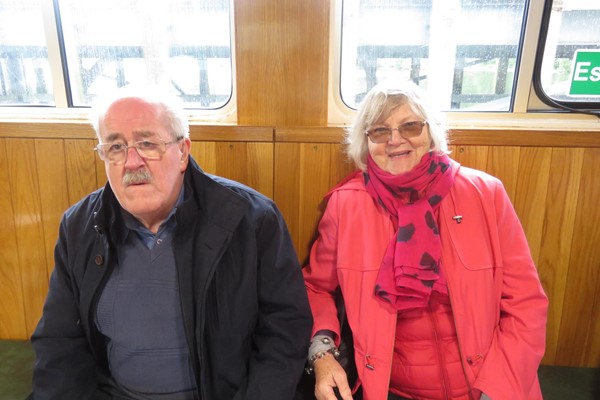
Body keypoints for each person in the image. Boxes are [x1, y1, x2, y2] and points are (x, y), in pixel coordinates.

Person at [30, 86, 313, 400]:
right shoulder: (79, 225)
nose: (131, 162)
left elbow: (285, 331)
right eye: (115, 147)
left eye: (147, 143)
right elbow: (58, 341)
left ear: (183, 151)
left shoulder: (252, 219)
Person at [302, 81, 548, 400]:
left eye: (410, 126)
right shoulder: (345, 205)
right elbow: (315, 288)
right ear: (366, 142)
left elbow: (525, 303)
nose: (395, 140)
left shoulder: (486, 194)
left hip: (489, 386)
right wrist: (322, 355)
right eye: (379, 130)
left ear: (430, 132)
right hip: (391, 390)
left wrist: (499, 389)